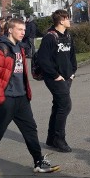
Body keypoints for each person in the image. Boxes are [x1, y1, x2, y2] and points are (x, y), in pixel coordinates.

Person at [0, 18, 59, 176]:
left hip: (21, 98)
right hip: (6, 98)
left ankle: (38, 161)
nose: (23, 32)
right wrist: (0, 99)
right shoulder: (0, 49)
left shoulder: (19, 48)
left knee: (30, 129)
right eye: (19, 29)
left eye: (24, 29)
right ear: (10, 30)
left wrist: (26, 93)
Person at [38, 10, 77, 153]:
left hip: (67, 77)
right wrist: (55, 75)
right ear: (61, 20)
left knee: (58, 106)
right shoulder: (50, 37)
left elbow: (72, 55)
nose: (69, 21)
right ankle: (60, 139)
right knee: (65, 106)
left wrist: (72, 72)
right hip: (55, 78)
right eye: (68, 19)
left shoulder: (68, 35)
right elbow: (43, 59)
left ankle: (51, 139)